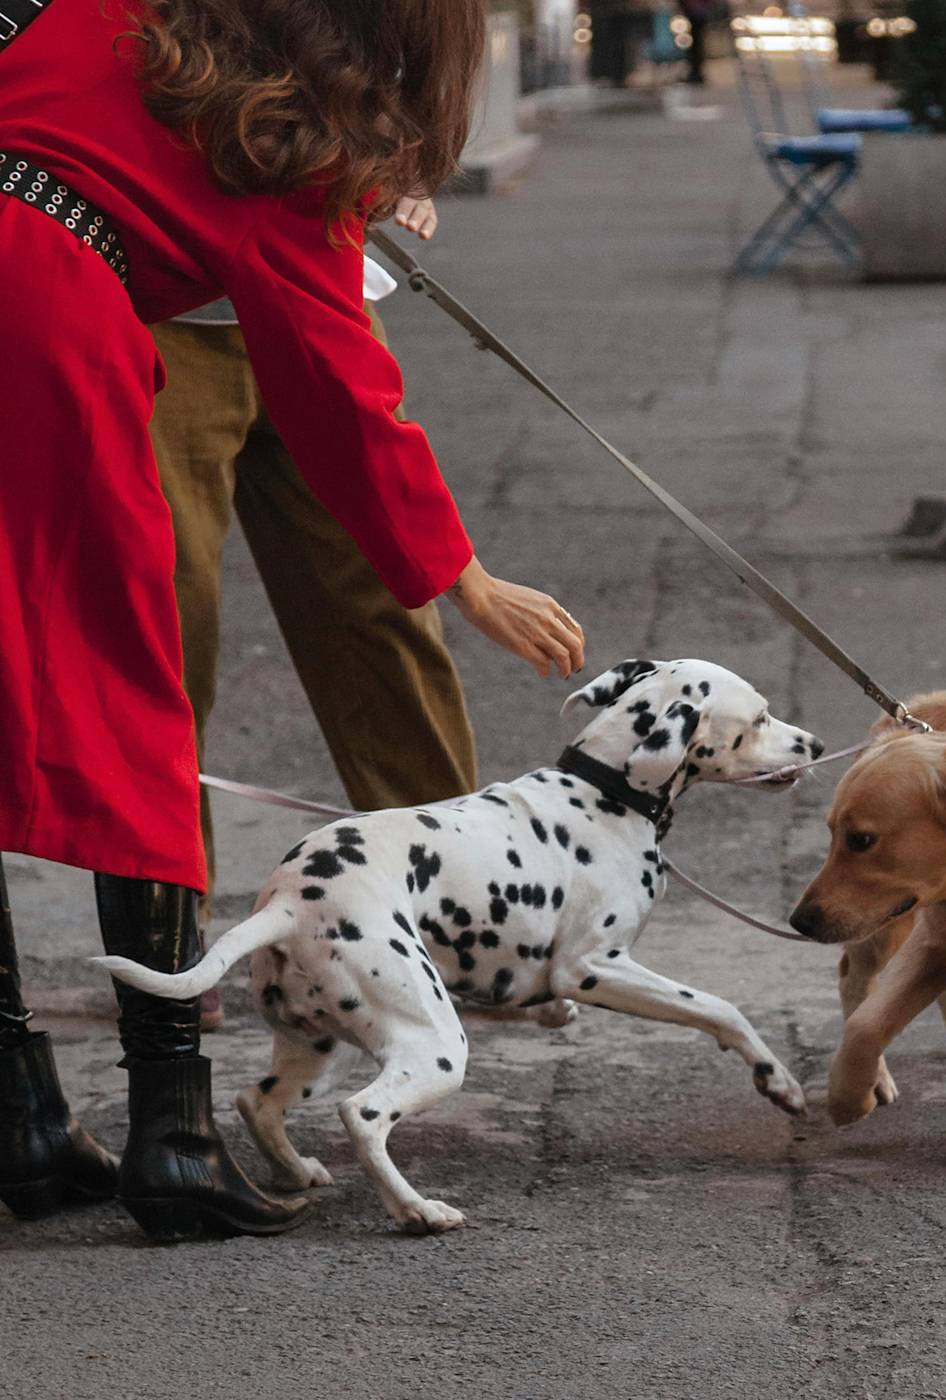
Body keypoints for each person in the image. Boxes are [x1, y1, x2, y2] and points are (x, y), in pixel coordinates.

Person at [0, 0, 585, 1241]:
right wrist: (464, 573)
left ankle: (18, 1115)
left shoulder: (109, 16)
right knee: (132, 701)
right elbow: (344, 395)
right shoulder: (287, 139)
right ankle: (173, 1133)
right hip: (40, 318)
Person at [151, 197, 476, 1033]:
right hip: (157, 306)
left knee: (382, 607)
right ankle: (165, 927)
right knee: (168, 627)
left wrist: (394, 159)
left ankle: (461, 917)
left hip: (313, 285)